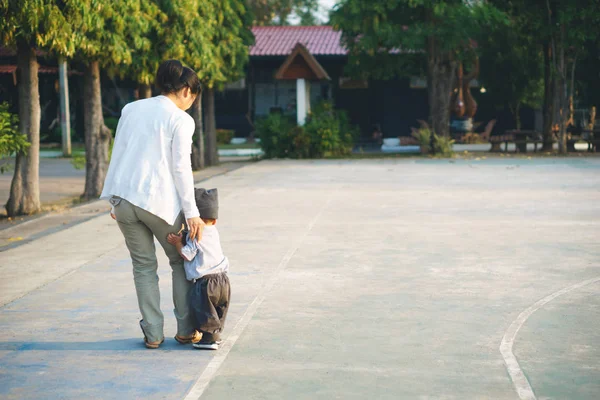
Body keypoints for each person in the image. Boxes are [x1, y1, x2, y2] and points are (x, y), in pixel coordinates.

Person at [101, 60, 205, 349]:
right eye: (193, 95)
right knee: (179, 262)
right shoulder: (180, 119)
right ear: (185, 90)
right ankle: (185, 330)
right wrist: (193, 213)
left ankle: (153, 334)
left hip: (124, 200)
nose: (192, 102)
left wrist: (114, 198)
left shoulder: (130, 109)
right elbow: (181, 168)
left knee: (143, 266)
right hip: (157, 202)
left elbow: (119, 151)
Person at [167, 188, 230, 350]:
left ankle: (209, 340)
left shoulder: (196, 234)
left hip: (206, 282)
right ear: (214, 220)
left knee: (202, 309)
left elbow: (187, 255)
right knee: (217, 309)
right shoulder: (213, 231)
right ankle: (216, 336)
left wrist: (178, 243)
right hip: (223, 279)